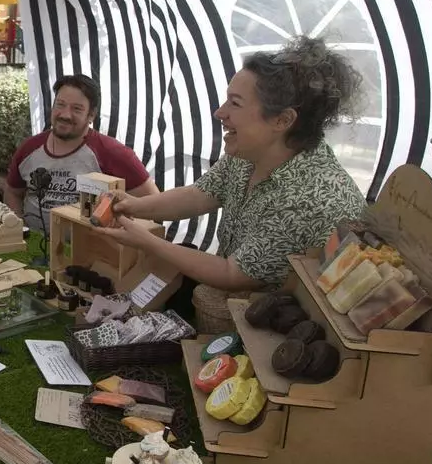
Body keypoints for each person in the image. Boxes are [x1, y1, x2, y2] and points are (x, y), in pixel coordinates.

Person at [104, 36, 365, 297]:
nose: (220, 112)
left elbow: (234, 273)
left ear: (282, 120)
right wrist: (133, 205)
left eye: (235, 103)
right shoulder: (247, 154)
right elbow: (198, 195)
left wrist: (146, 241)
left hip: (270, 317)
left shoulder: (311, 198)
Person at [5, 74, 158, 230]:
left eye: (77, 109)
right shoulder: (29, 148)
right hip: (32, 241)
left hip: (91, 244)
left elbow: (153, 202)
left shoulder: (113, 153)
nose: (65, 114)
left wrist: (122, 229)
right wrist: (18, 228)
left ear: (91, 115)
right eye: (60, 105)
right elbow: (13, 192)